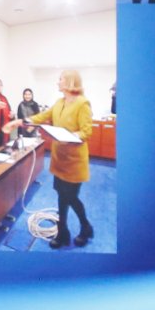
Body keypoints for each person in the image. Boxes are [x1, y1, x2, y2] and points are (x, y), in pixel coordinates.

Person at [21, 68, 97, 249]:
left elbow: (87, 131)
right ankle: (63, 232)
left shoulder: (82, 103)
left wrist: (69, 136)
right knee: (61, 196)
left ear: (70, 82)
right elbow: (43, 116)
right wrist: (24, 121)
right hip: (59, 159)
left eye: (60, 79)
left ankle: (86, 227)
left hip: (74, 161)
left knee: (71, 197)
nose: (58, 82)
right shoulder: (59, 102)